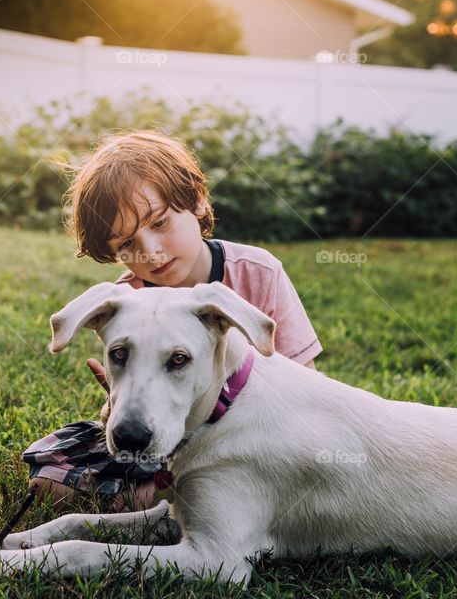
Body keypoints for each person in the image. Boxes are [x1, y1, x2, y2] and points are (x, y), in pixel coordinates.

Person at [23, 129, 322, 512]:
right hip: (159, 440)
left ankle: (164, 504)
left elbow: (305, 383)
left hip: (255, 442)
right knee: (50, 470)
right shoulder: (129, 299)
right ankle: (163, 498)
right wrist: (116, 401)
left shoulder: (256, 272)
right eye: (126, 244)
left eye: (160, 223)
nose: (151, 253)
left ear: (197, 201)